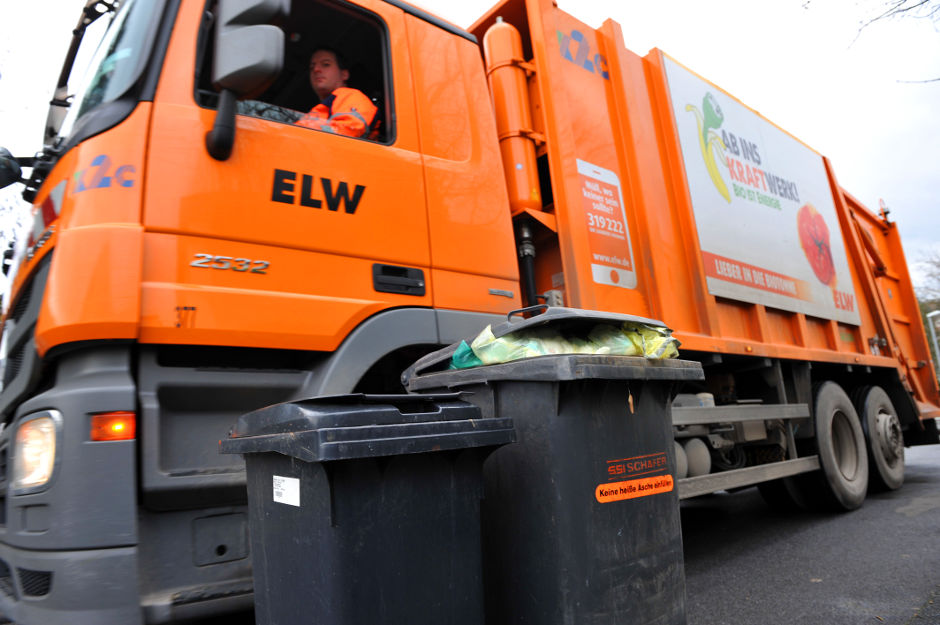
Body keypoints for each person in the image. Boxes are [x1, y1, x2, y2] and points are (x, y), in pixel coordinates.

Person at [296, 47, 377, 138]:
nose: (316, 69)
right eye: (312, 67)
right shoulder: (324, 106)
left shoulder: (351, 96)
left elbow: (346, 133)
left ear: (344, 74)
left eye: (326, 64)